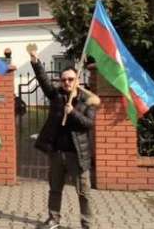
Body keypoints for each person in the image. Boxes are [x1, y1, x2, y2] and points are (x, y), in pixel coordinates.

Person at [30, 49, 99, 229]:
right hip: (57, 153)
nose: (66, 82)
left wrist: (73, 112)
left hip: (78, 155)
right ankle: (53, 219)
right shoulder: (57, 96)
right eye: (63, 80)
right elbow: (44, 81)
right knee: (55, 189)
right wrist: (36, 61)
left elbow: (88, 124)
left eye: (70, 79)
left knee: (84, 193)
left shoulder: (88, 100)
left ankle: (86, 224)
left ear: (77, 81)